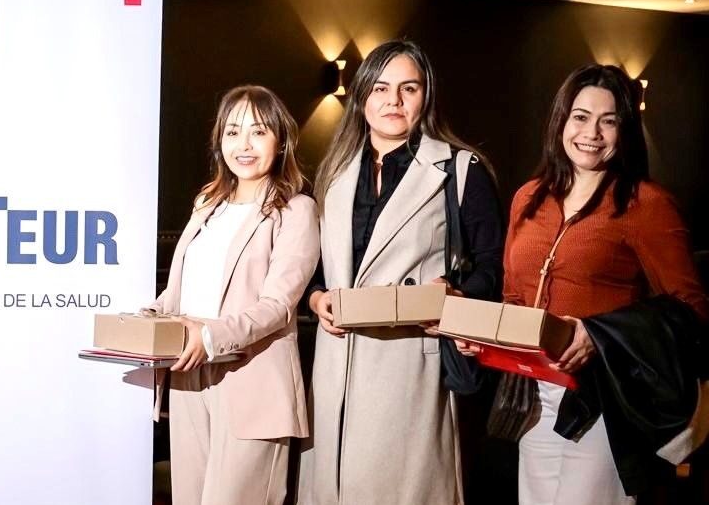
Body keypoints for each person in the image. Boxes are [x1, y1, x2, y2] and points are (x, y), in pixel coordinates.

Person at [297, 39, 504, 504]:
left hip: (410, 361)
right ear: (362, 96)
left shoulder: (458, 169)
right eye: (381, 88)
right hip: (336, 363)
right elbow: (313, 268)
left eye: (408, 88)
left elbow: (493, 263)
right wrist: (316, 299)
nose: (393, 100)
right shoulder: (334, 171)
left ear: (425, 96)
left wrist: (457, 295)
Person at [500, 64, 709, 505]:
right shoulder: (528, 198)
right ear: (561, 120)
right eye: (580, 117)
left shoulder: (645, 203)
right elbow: (513, 296)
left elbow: (692, 310)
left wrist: (599, 334)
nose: (591, 133)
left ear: (624, 130)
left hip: (604, 396)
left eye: (608, 121)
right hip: (534, 396)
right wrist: (482, 336)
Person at [150, 85, 319, 504]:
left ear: (281, 141)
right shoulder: (207, 203)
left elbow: (278, 306)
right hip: (188, 375)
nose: (243, 145)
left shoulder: (296, 210)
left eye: (258, 132)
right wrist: (148, 319)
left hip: (251, 378)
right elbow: (179, 291)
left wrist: (209, 336)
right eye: (232, 132)